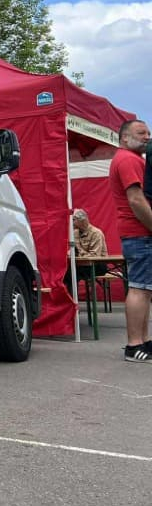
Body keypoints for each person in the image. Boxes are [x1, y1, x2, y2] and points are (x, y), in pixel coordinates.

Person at [109, 119, 152, 362]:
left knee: (145, 289)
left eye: (148, 132)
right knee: (139, 288)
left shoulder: (133, 159)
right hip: (140, 233)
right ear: (124, 137)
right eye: (141, 132)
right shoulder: (127, 159)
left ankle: (143, 342)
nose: (147, 136)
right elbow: (135, 199)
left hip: (139, 233)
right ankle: (134, 345)